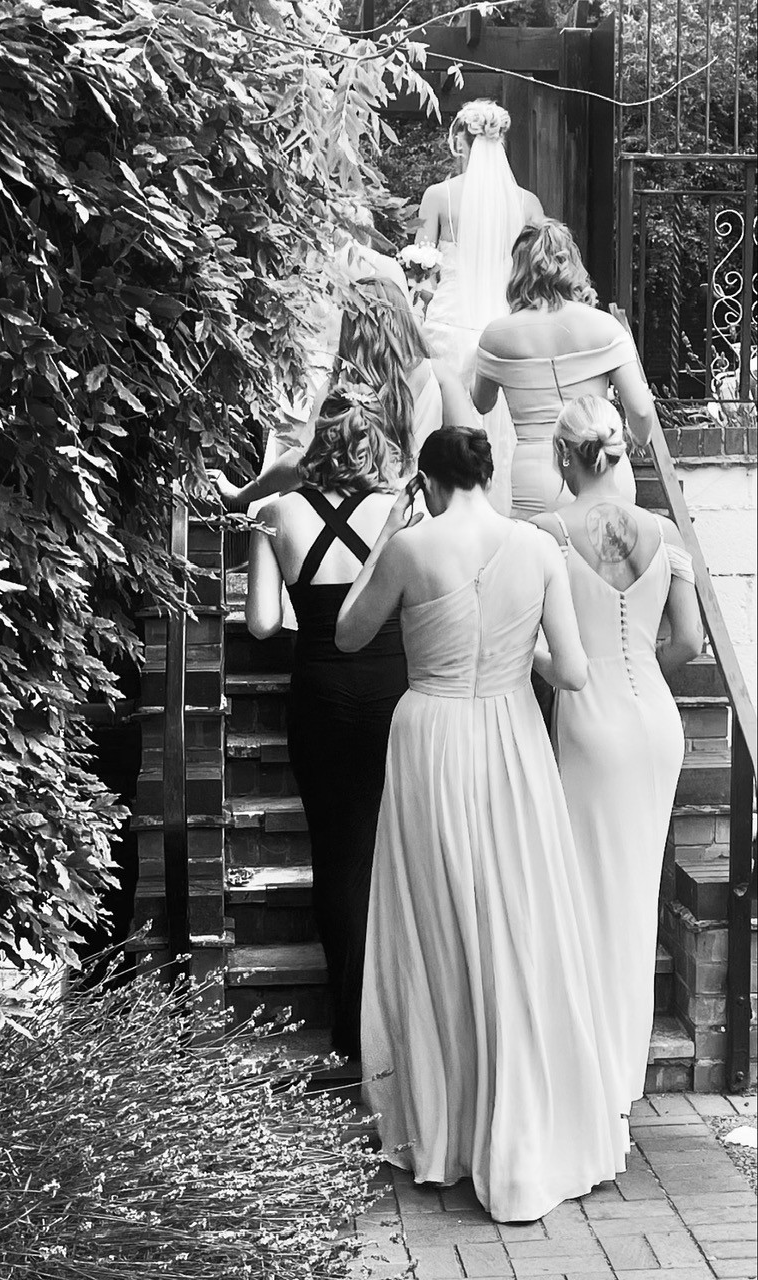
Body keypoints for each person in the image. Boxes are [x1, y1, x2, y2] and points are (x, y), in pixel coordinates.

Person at [336, 426, 627, 1222]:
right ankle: (520, 1120)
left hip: (430, 737)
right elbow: (573, 672)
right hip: (511, 739)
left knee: (435, 926)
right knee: (513, 920)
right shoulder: (536, 549)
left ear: (428, 482)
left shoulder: (410, 547)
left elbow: (349, 633)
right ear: (489, 476)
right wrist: (516, 655)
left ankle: (447, 1129)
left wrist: (385, 537)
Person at [531, 396, 703, 1110]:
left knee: (586, 899)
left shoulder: (547, 532)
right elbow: (688, 641)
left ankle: (589, 1074)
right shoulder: (666, 532)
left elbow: (531, 640)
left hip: (589, 723)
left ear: (565, 456)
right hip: (656, 726)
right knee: (633, 904)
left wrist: (549, 666)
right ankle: (623, 1079)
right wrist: (639, 675)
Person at [245, 386, 410, 1058]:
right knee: (387, 852)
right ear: (375, 441)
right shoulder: (399, 514)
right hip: (392, 690)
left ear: (316, 441)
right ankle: (391, 1024)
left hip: (319, 692)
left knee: (335, 855)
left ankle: (349, 1026)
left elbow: (261, 623)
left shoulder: (273, 513)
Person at [210, 277, 469, 509]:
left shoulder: (339, 385)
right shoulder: (439, 377)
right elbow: (469, 457)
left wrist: (240, 495)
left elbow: (300, 462)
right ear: (403, 320)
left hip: (353, 517)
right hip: (415, 514)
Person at [473, 220, 659, 520]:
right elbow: (640, 410)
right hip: (604, 469)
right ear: (570, 263)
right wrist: (639, 439)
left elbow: (482, 403)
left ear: (518, 270)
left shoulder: (495, 336)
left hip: (536, 473)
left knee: (540, 549)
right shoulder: (604, 326)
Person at [414, 100, 544, 515]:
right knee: (499, 427)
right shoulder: (527, 204)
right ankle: (498, 511)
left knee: (442, 422)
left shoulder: (438, 196)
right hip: (504, 328)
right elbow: (537, 274)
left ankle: (438, 511)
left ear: (460, 141)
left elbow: (422, 270)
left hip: (449, 325)